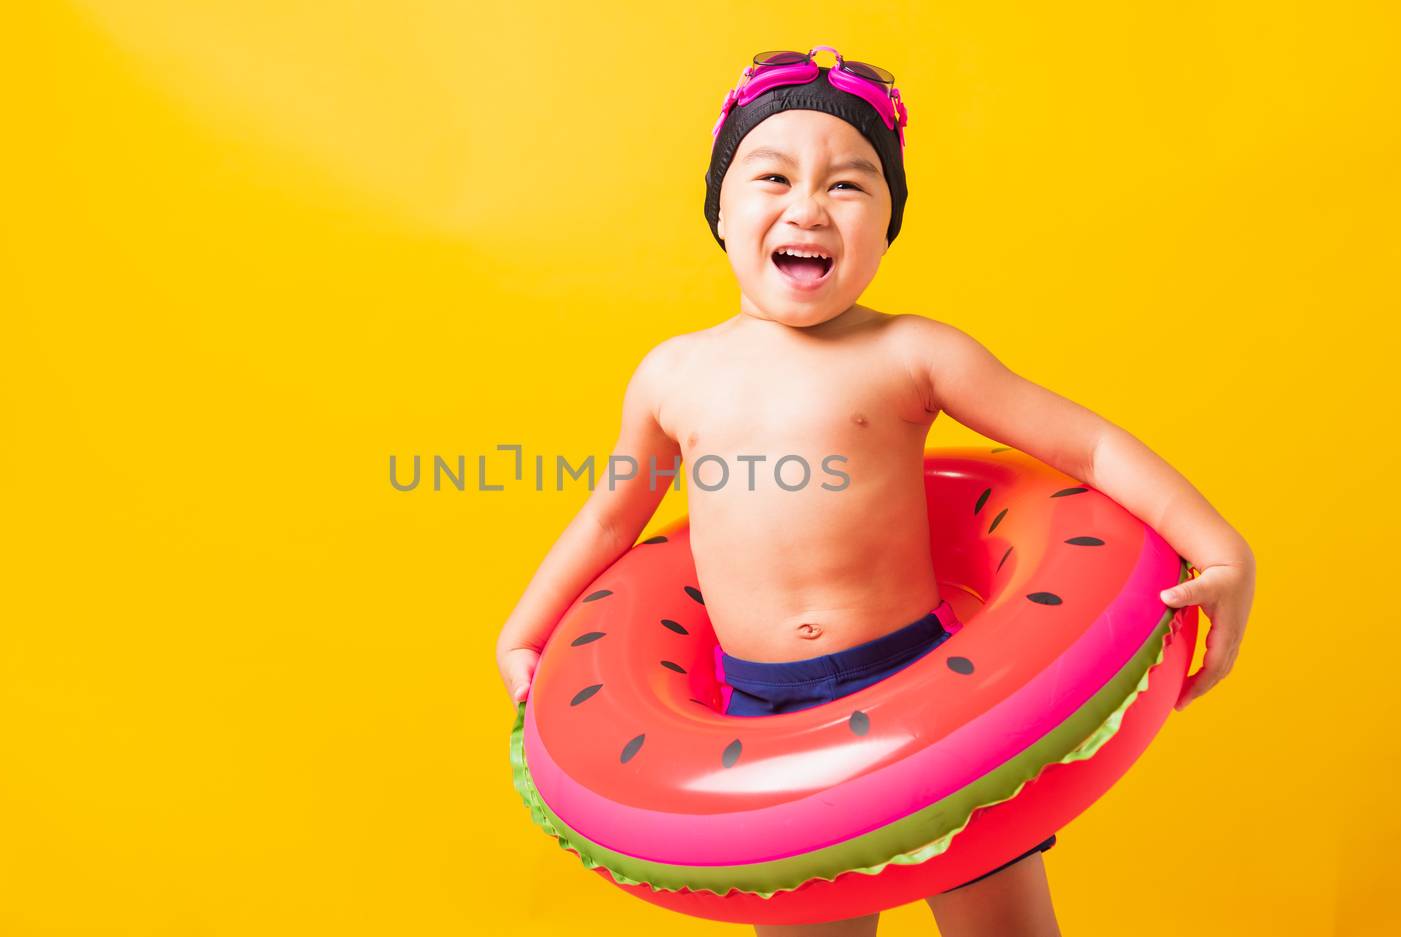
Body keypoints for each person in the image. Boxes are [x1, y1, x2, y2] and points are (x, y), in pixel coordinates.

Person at [494, 47, 1256, 937]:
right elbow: (611, 516)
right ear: (721, 207)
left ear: (889, 222)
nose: (808, 206)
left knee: (1003, 925)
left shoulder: (913, 354)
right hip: (758, 718)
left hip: (924, 685)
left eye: (850, 185)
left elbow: (1081, 442)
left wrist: (1219, 544)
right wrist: (523, 627)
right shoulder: (672, 376)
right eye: (772, 175)